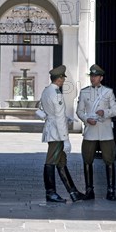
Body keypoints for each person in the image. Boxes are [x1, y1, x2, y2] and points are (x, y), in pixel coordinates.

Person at [40, 65, 84, 203]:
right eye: (63, 78)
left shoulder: (46, 91)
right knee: (51, 161)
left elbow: (42, 109)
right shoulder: (56, 93)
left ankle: (73, 192)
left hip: (52, 129)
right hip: (57, 133)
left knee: (61, 162)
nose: (64, 80)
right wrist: (66, 139)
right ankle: (50, 193)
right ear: (59, 79)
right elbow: (58, 117)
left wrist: (65, 118)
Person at [76, 64, 116, 201]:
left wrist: (105, 112)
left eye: (95, 76)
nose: (93, 78)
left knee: (109, 160)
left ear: (101, 77)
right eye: (91, 76)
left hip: (105, 131)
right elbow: (79, 111)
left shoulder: (108, 92)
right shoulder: (84, 92)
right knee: (87, 159)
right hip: (91, 131)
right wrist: (86, 119)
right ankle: (89, 190)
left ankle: (111, 190)